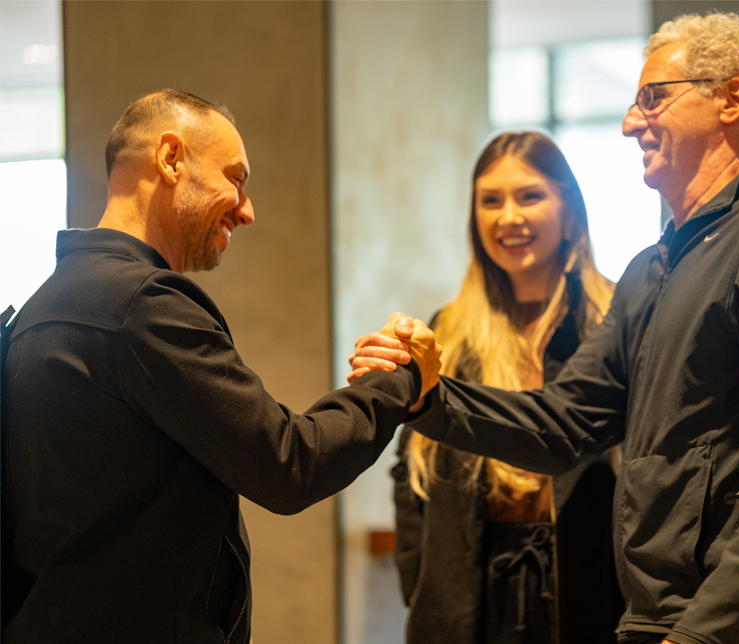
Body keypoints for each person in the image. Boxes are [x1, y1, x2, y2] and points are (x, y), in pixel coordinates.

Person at [352, 12, 739, 644]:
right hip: (651, 622)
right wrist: (432, 396)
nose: (629, 123)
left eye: (653, 97)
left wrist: (708, 631)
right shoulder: (650, 271)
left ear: (733, 98)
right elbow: (562, 424)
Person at [0, 90, 440, 643]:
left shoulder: (41, 308)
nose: (247, 208)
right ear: (171, 158)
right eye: (235, 177)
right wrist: (401, 378)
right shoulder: (141, 306)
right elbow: (288, 464)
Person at [382, 131, 623, 643]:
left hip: (590, 593)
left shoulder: (615, 320)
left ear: (570, 211)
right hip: (469, 595)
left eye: (529, 196)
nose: (508, 217)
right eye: (490, 201)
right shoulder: (447, 329)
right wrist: (420, 586)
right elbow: (411, 473)